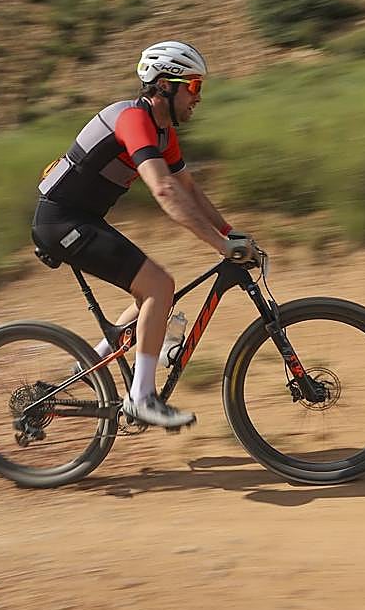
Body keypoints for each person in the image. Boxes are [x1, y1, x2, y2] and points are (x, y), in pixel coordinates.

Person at [31, 40, 255, 429]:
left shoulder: (164, 134)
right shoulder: (133, 120)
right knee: (158, 287)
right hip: (60, 222)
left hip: (83, 219)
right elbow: (164, 190)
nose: (198, 98)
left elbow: (190, 190)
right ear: (165, 85)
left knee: (155, 296)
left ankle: (86, 369)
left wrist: (232, 234)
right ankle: (141, 398)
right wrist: (221, 246)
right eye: (194, 86)